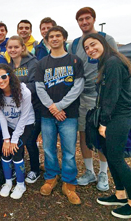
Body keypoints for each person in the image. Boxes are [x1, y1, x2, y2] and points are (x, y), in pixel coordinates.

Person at [83, 33, 131, 219]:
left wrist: (104, 123)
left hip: (118, 117)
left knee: (116, 159)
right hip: (112, 116)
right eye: (87, 48)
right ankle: (121, 195)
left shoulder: (114, 62)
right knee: (109, 154)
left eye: (93, 45)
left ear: (103, 44)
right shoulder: (105, 62)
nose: (91, 50)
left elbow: (112, 96)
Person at [35, 26, 84, 205]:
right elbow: (39, 87)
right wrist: (52, 107)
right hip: (48, 115)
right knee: (48, 148)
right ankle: (50, 178)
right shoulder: (42, 63)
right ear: (47, 40)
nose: (54, 39)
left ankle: (69, 183)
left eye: (58, 36)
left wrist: (60, 106)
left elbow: (78, 87)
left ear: (64, 38)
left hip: (69, 114)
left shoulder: (75, 60)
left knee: (69, 151)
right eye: (51, 36)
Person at [70, 7, 118, 191]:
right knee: (84, 134)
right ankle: (89, 171)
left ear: (94, 19)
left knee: (102, 135)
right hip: (82, 96)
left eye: (87, 18)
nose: (84, 22)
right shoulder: (74, 44)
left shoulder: (106, 39)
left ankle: (103, 173)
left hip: (101, 95)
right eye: (80, 19)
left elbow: (115, 63)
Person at [0, 64, 35, 199]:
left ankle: (21, 184)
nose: (0, 81)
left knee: (16, 150)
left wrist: (14, 140)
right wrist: (6, 139)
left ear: (10, 76)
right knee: (5, 150)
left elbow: (24, 117)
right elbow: (2, 116)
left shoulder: (24, 92)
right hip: (9, 124)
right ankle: (8, 182)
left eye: (3, 77)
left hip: (25, 124)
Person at [6, 35, 41, 183]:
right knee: (17, 141)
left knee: (30, 140)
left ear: (22, 48)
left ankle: (35, 169)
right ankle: (17, 166)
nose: (13, 50)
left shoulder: (33, 63)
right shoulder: (9, 66)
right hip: (16, 111)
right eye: (10, 47)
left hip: (33, 108)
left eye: (16, 47)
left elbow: (36, 84)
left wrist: (17, 90)